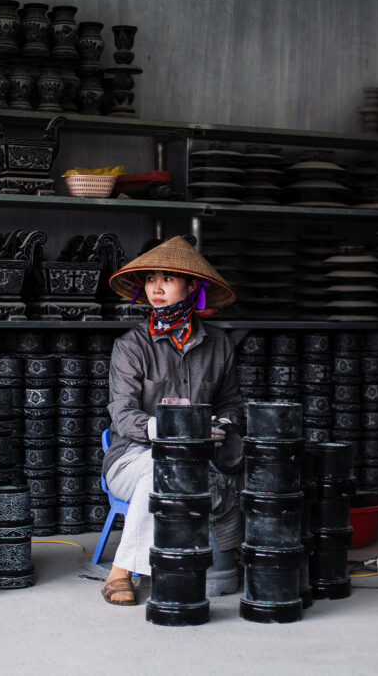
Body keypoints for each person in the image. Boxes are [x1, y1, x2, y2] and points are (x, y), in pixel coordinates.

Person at [100, 235, 244, 606]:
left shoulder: (219, 345)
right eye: (150, 279)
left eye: (167, 279)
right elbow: (122, 413)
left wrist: (222, 427)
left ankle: (231, 556)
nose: (156, 288)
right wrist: (169, 430)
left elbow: (232, 404)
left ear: (192, 286)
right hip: (133, 457)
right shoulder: (132, 347)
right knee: (164, 468)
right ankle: (121, 573)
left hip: (201, 455)